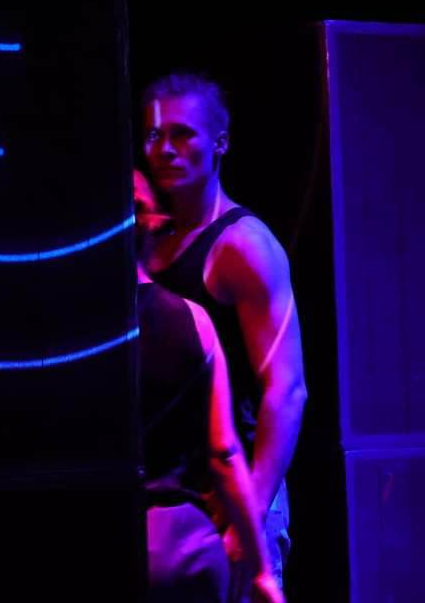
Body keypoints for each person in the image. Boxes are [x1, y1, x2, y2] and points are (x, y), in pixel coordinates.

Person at [139, 73, 307, 594]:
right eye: (154, 135)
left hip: (239, 494)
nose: (165, 149)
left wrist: (248, 517)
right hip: (183, 500)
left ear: (220, 143)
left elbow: (287, 391)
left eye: (182, 134)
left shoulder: (243, 245)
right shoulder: (150, 238)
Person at [135, 171, 283, 603]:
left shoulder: (75, 337)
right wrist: (261, 571)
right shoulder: (194, 320)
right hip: (186, 544)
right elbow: (225, 453)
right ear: (151, 225)